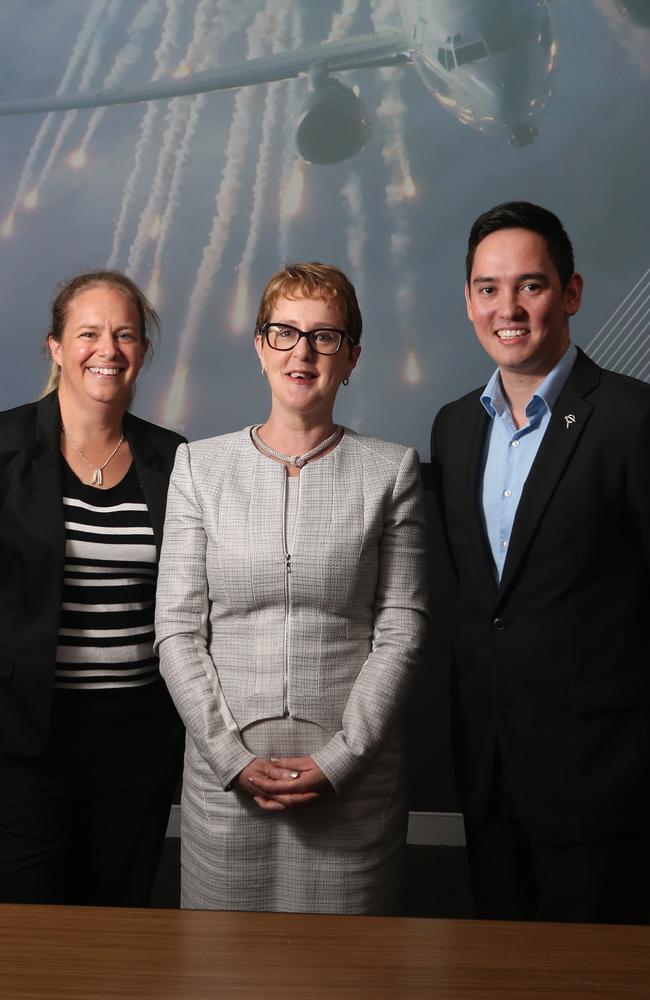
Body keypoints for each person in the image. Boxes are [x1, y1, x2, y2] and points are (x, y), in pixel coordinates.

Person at [155, 261, 428, 914]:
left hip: (353, 790)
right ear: (259, 346)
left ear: (352, 357)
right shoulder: (197, 467)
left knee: (352, 978)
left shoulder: (392, 471)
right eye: (285, 332)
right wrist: (230, 758)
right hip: (226, 790)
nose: (302, 351)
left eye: (325, 336)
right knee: (221, 975)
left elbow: (402, 629)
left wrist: (343, 758)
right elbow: (177, 630)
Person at [430, 200, 650, 923]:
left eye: (531, 284)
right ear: (467, 302)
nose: (509, 308)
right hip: (489, 776)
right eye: (489, 289)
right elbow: (478, 605)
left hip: (603, 784)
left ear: (572, 293)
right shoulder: (455, 425)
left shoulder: (631, 418)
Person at [0, 270, 185, 906]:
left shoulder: (174, 460)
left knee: (119, 919)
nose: (107, 349)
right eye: (88, 333)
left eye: (125, 334)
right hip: (25, 738)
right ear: (56, 347)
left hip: (139, 740)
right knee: (27, 927)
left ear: (142, 351)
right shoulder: (3, 448)